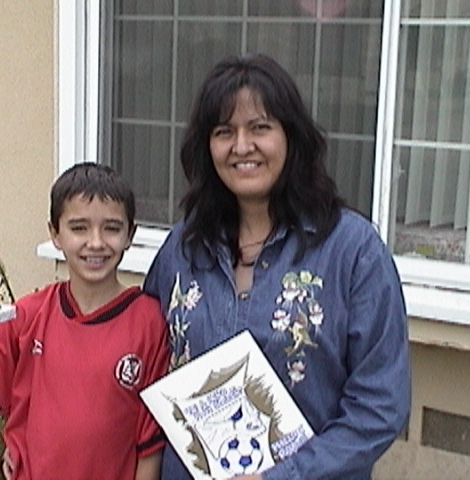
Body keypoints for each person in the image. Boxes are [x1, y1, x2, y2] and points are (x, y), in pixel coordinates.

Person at [142, 53, 410, 480]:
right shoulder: (183, 247)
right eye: (224, 131)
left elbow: (379, 408)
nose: (241, 146)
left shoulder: (353, 252)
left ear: (291, 137)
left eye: (260, 127)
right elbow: (140, 361)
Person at [0, 163, 170, 480]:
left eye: (112, 228)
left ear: (131, 234)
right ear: (55, 234)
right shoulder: (26, 318)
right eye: (79, 228)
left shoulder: (149, 323)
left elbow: (149, 450)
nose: (96, 242)